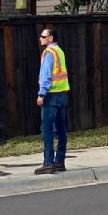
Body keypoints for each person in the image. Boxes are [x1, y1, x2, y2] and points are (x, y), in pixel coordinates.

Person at [35, 28, 69, 175]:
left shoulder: (48, 53)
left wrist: (41, 94)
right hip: (62, 93)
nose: (40, 39)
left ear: (50, 38)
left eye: (43, 36)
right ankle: (60, 161)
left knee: (47, 130)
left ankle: (48, 163)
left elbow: (46, 75)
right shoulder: (59, 51)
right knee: (61, 129)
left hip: (51, 95)